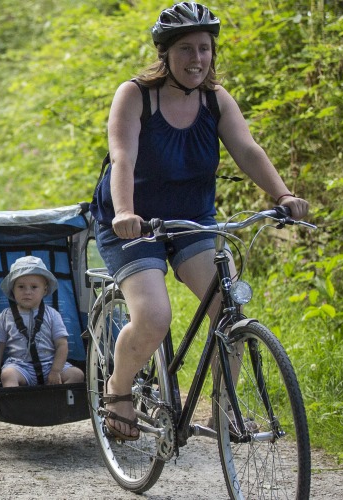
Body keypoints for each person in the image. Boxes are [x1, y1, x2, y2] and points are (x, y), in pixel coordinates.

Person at [89, 2, 310, 440]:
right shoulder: (134, 95)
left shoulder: (215, 99)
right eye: (186, 49)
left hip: (192, 218)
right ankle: (118, 386)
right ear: (165, 54)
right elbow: (123, 158)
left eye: (205, 49)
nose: (197, 59)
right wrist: (126, 213)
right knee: (153, 316)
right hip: (132, 220)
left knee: (228, 312)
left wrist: (282, 194)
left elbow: (247, 150)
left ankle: (223, 410)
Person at [0, 256, 85, 388]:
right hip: (19, 365)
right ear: (13, 290)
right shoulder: (5, 316)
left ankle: (57, 402)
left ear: (44, 290)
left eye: (34, 287)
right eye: (21, 287)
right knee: (7, 375)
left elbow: (62, 345)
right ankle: (16, 405)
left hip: (50, 364)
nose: (27, 292)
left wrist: (56, 371)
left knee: (77, 375)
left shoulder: (52, 314)